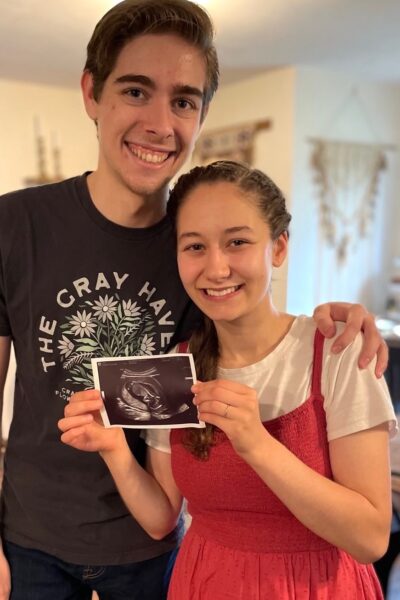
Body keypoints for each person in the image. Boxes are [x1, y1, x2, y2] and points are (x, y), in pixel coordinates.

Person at [0, 0, 389, 597]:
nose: (161, 123)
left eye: (183, 100)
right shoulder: (15, 224)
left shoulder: (193, 249)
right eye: (135, 91)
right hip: (32, 538)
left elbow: (256, 327)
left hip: (156, 549)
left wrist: (340, 316)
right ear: (91, 93)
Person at [60, 160, 397, 599]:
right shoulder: (177, 365)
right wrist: (115, 450)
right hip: (205, 582)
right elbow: (162, 519)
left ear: (278, 248)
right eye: (195, 246)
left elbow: (371, 538)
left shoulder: (339, 350)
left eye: (237, 242)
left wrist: (257, 445)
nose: (216, 269)